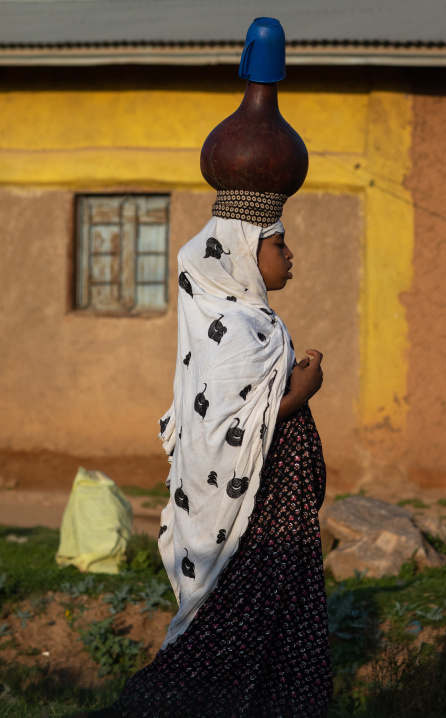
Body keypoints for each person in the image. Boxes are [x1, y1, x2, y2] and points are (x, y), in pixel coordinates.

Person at [83, 214, 333, 717]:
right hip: (258, 518)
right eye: (279, 245)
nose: (289, 257)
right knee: (234, 623)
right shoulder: (235, 330)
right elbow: (220, 430)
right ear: (241, 255)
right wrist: (298, 394)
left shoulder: (260, 320)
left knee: (279, 624)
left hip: (282, 511)